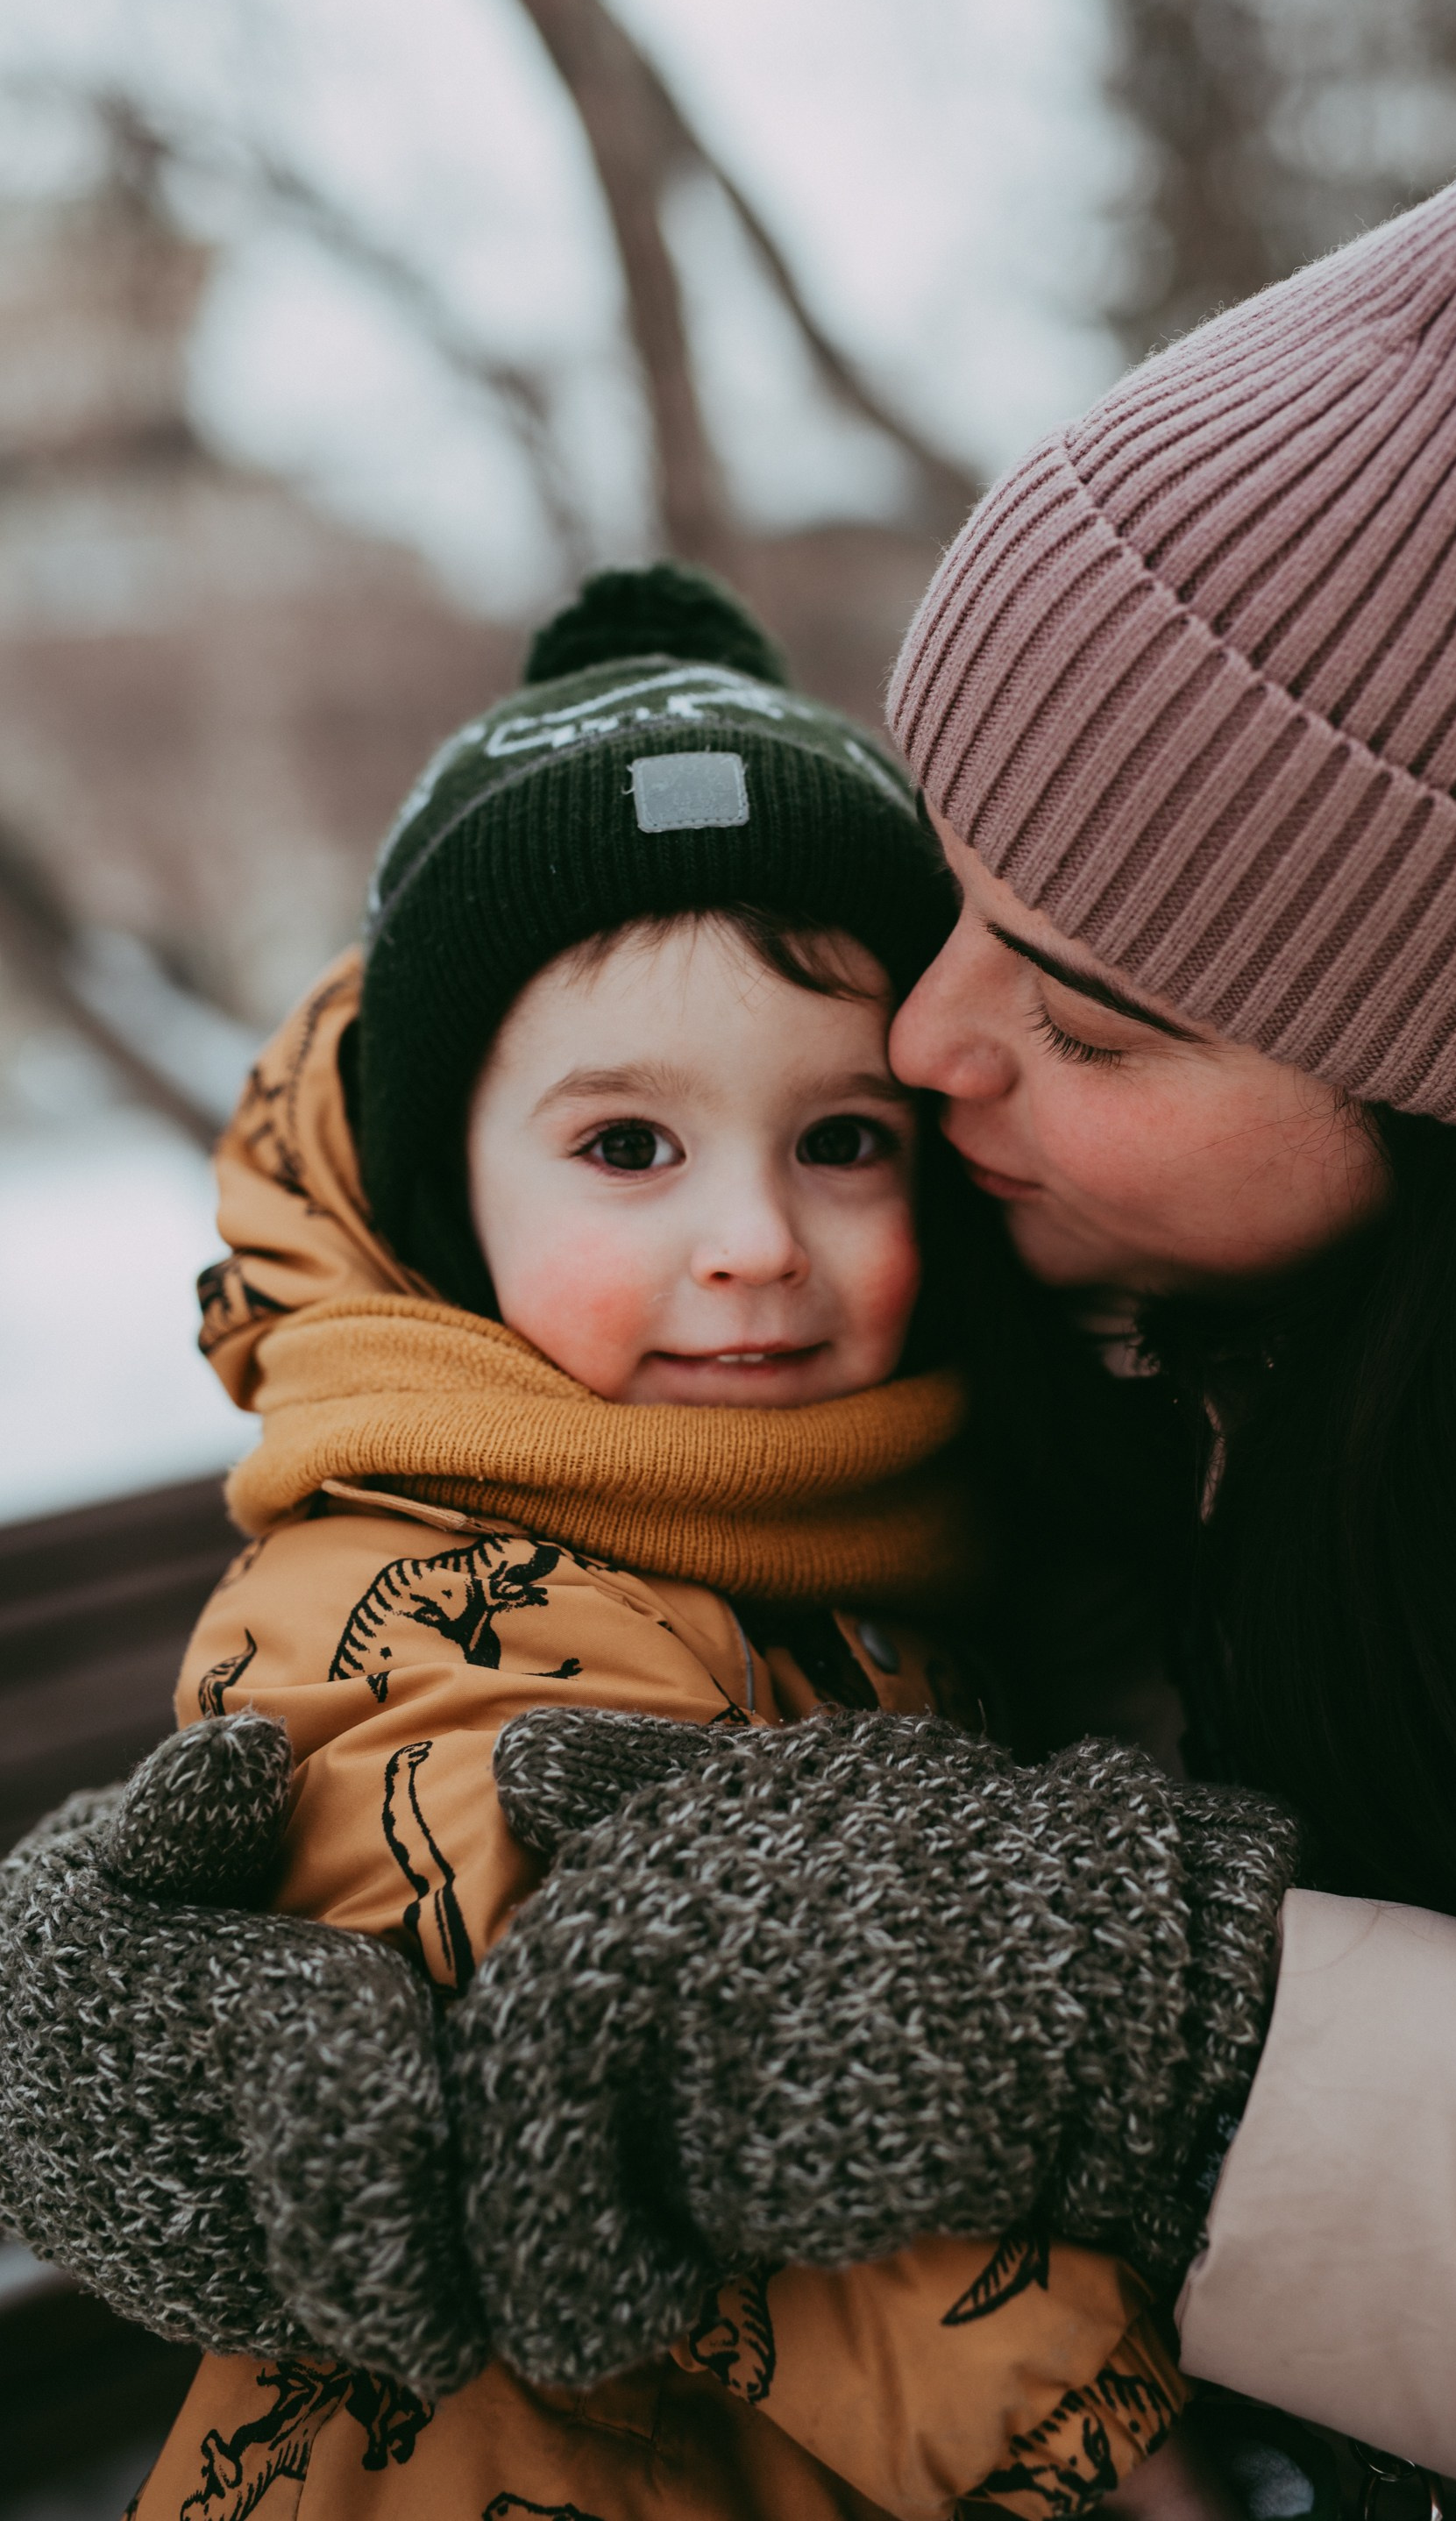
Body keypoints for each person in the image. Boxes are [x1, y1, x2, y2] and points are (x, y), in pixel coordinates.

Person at [11, 25, 1456, 2521]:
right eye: (966, 916)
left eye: (1090, 1010)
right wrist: (162, 2024)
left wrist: (1168, 2033)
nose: (928, 1056)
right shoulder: (1081, 1289)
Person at [60, 561, 1269, 2521]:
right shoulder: (425, 1580)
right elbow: (626, 2087)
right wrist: (1102, 2450)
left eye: (841, 1140)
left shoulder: (898, 1510)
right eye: (628, 1148)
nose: (755, 1244)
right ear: (449, 1194)